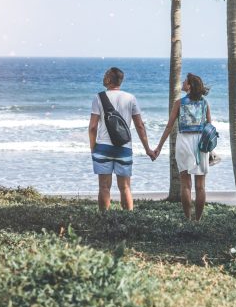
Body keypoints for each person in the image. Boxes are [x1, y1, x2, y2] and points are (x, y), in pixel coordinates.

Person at [89, 67, 155, 211]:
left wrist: (93, 147)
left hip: (103, 147)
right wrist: (147, 149)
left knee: (104, 187)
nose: (103, 77)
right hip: (124, 148)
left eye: (105, 74)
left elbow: (93, 127)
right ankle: (128, 221)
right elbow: (140, 126)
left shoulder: (98, 98)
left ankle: (104, 220)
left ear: (108, 79)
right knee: (125, 187)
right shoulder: (130, 98)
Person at [154, 73, 211, 220]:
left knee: (185, 185)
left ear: (190, 86)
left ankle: (188, 219)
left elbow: (169, 127)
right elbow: (210, 128)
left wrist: (159, 147)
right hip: (200, 144)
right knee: (200, 186)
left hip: (184, 142)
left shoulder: (179, 103)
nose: (183, 83)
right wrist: (211, 150)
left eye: (185, 81)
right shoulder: (205, 104)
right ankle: (198, 220)